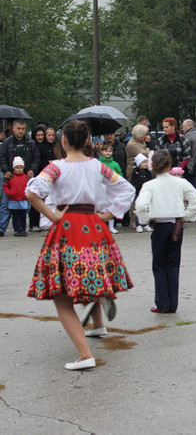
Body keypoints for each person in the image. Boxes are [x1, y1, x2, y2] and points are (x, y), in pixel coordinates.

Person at [26, 120, 135, 370]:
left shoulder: (56, 168)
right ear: (87, 141)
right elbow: (127, 190)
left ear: (63, 140)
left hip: (68, 228)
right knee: (89, 274)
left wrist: (52, 215)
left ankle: (85, 355)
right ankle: (97, 325)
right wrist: (108, 214)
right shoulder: (98, 167)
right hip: (94, 226)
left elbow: (32, 192)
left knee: (63, 295)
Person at [135, 150, 196, 313]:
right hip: (176, 226)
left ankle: (162, 303)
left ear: (152, 166)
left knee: (159, 265)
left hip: (160, 226)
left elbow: (141, 206)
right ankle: (172, 304)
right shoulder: (180, 182)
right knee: (173, 265)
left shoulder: (149, 185)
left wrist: (145, 220)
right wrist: (186, 216)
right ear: (170, 165)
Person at [0, 120, 39, 236]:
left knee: (26, 205)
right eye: (19, 128)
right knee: (5, 205)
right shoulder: (7, 143)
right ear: (13, 128)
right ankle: (1, 228)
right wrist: (6, 170)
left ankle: (21, 228)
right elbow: (2, 157)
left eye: (23, 129)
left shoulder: (31, 143)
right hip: (10, 178)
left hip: (25, 178)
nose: (21, 131)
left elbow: (36, 158)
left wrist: (32, 170)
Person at [99, 143, 124, 234]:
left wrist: (118, 181)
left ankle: (111, 226)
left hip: (112, 187)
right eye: (106, 151)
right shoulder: (99, 163)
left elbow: (120, 173)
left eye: (110, 151)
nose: (108, 153)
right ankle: (102, 225)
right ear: (101, 152)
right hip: (101, 187)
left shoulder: (115, 164)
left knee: (111, 206)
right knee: (102, 206)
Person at [3, 156, 30, 236]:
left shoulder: (26, 177)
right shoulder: (11, 178)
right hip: (13, 200)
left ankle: (23, 229)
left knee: (23, 216)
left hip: (23, 200)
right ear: (14, 168)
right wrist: (9, 193)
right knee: (15, 216)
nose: (19, 169)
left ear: (23, 168)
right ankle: (16, 230)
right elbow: (5, 185)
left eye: (21, 167)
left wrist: (27, 194)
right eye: (17, 167)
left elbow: (30, 186)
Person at [130, 153, 154, 233]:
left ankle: (146, 224)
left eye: (146, 162)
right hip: (138, 193)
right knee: (138, 209)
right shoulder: (135, 173)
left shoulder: (148, 173)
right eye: (143, 162)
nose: (145, 164)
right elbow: (133, 183)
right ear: (138, 163)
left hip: (147, 193)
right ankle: (138, 225)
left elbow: (151, 182)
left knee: (147, 209)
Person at [181, 118, 196, 187]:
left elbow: (186, 152)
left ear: (189, 126)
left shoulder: (187, 136)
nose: (183, 129)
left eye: (184, 126)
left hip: (190, 167)